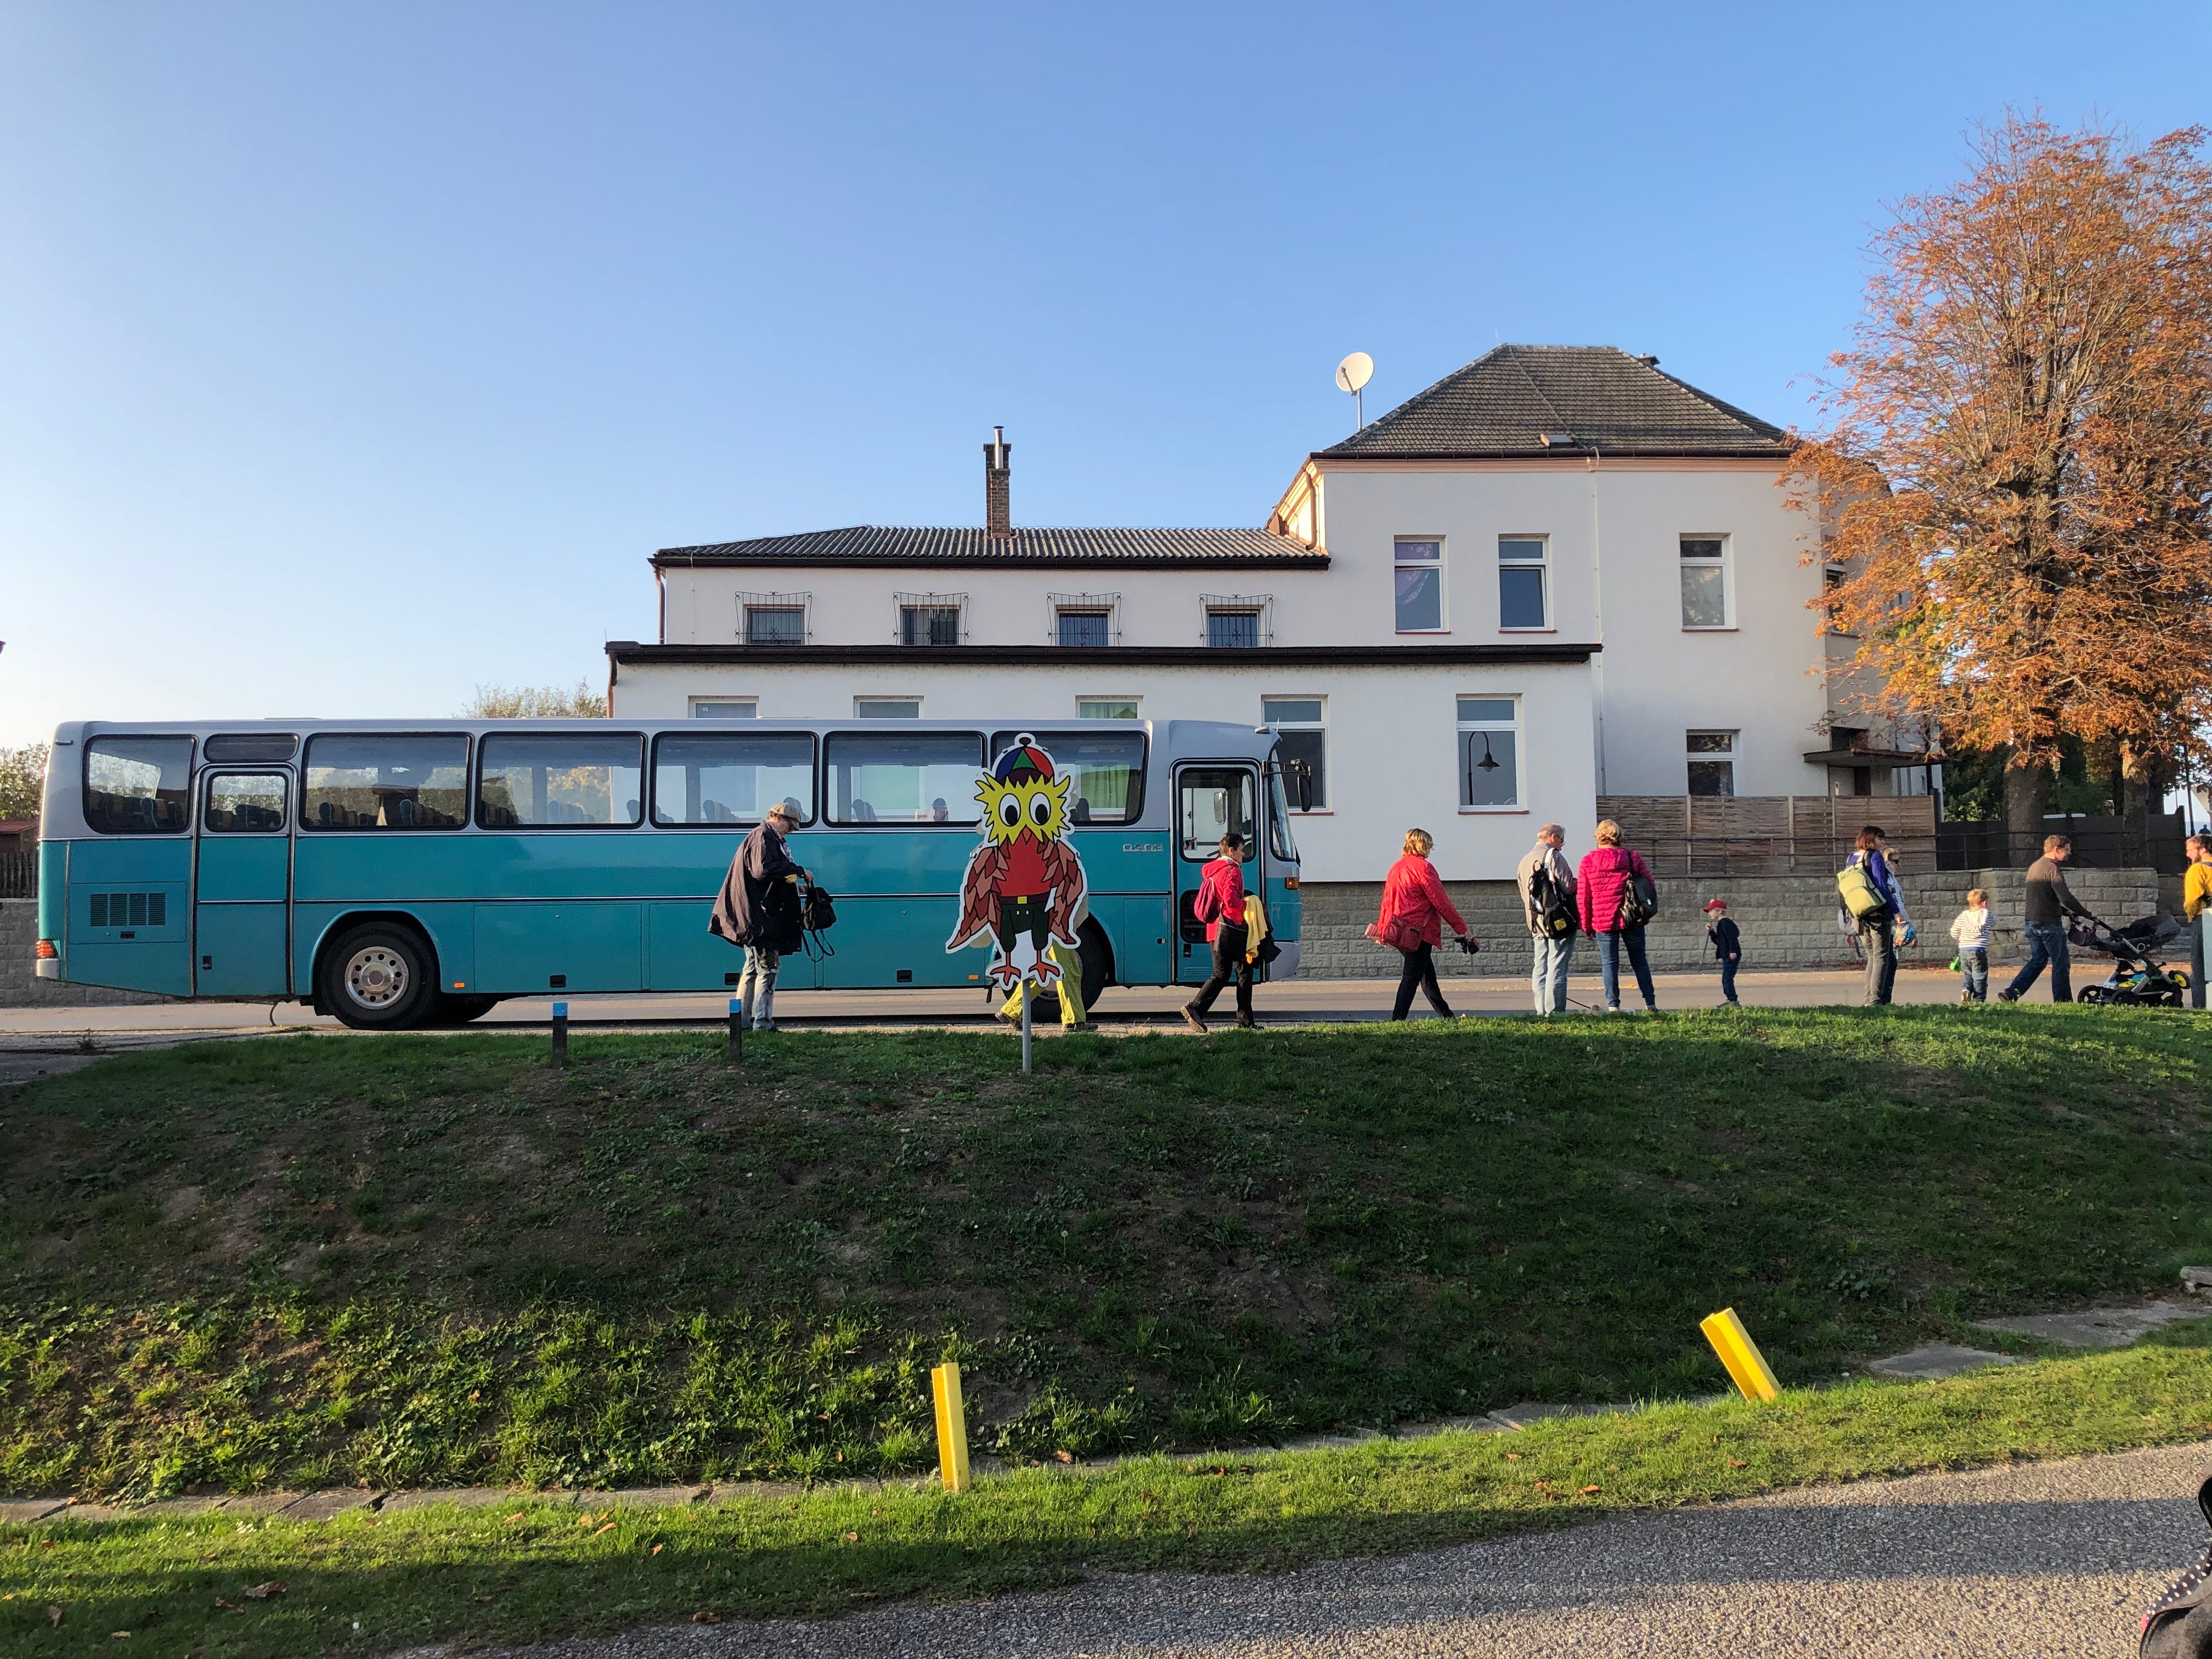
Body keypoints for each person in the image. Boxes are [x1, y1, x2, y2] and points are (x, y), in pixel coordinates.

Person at [708, 800, 808, 1031]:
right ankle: (763, 1023)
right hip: (760, 919)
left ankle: (741, 1023)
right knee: (768, 967)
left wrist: (796, 887)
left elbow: (766, 873)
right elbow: (764, 870)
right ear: (778, 818)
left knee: (752, 967)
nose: (791, 831)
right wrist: (799, 872)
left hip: (750, 916)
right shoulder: (764, 837)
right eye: (790, 825)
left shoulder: (762, 836)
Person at [1378, 828, 1473, 1020]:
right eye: (1429, 844)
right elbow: (1441, 902)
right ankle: (1397, 1020)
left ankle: (1445, 1014)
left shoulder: (1396, 868)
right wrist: (1463, 929)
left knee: (1426, 974)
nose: (1431, 848)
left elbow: (1388, 900)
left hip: (1399, 930)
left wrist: (1383, 929)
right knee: (1412, 976)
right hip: (1418, 932)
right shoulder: (1424, 868)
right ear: (1422, 845)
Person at [1577, 820, 1657, 1012]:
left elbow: (1584, 896)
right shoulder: (1632, 858)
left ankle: (1613, 1006)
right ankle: (1650, 1004)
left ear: (1599, 837)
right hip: (1632, 918)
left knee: (1609, 963)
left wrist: (1586, 926)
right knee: (1639, 961)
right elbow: (1649, 885)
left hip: (1603, 920)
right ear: (1618, 836)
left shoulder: (1588, 861)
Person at [1999, 834, 2089, 1003]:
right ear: (2056, 850)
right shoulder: (2052, 868)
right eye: (2067, 850)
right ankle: (2063, 1002)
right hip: (2049, 925)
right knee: (2061, 963)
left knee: (2038, 960)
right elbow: (2065, 897)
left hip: (2032, 923)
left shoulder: (2035, 866)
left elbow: (2044, 898)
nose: (2069, 853)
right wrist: (2085, 913)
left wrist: (2065, 912)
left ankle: (2011, 993)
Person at [1182, 833, 1254, 1032]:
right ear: (1231, 850)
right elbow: (1231, 901)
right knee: (1243, 973)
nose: (1243, 853)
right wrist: (1247, 904)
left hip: (1215, 930)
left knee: (1224, 973)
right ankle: (1198, 1009)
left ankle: (1200, 1010)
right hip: (1232, 930)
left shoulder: (1214, 871)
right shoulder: (1232, 871)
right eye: (1241, 849)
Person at [1842, 825, 1911, 1006]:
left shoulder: (1852, 859)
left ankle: (1872, 999)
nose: (1883, 842)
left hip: (1860, 914)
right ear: (1871, 839)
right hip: (1878, 912)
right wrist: (1895, 910)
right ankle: (1875, 1001)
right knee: (1881, 957)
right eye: (1880, 839)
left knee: (1873, 957)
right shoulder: (1874, 857)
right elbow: (1881, 885)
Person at [1516, 823, 1577, 1015]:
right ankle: (1555, 1012)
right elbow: (1568, 886)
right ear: (1552, 837)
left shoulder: (1524, 860)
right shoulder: (1553, 856)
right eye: (1561, 840)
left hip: (1536, 921)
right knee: (1557, 964)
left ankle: (1541, 1011)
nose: (1562, 844)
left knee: (1540, 965)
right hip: (1558, 919)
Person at [1950, 887, 1992, 1004]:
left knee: (1968, 974)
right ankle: (1979, 1000)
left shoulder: (1963, 916)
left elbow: (1954, 932)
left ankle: (1966, 990)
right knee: (1980, 975)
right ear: (1985, 902)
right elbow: (1994, 922)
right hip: (1979, 950)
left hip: (1964, 950)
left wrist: (1960, 937)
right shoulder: (1987, 914)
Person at [2185, 834, 2212, 1011]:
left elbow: (2193, 900)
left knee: (2201, 966)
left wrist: (2191, 915)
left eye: (2190, 850)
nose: (2188, 855)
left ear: (2202, 850)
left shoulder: (2197, 870)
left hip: (2205, 918)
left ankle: (2201, 1007)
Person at [1705, 899, 1742, 1007]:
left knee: (1727, 979)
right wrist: (1711, 932)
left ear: (1719, 911)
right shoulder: (1721, 924)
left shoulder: (1725, 923)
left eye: (1711, 911)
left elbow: (1732, 938)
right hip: (1726, 955)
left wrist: (1732, 951)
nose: (1709, 914)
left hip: (1730, 955)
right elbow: (1720, 942)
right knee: (1726, 978)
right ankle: (1731, 1000)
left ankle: (1733, 1001)